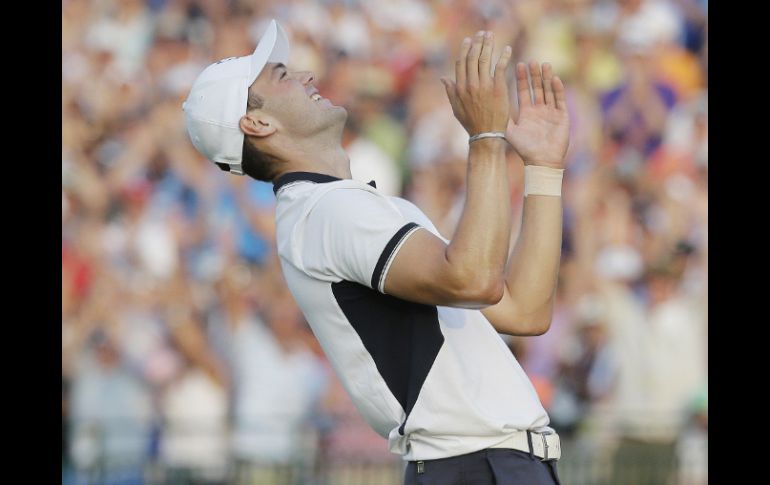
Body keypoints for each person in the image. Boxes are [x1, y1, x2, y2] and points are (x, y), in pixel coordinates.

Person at [183, 19, 570, 485]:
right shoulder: (324, 210)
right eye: (281, 76)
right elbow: (475, 279)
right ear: (257, 122)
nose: (306, 77)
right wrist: (485, 138)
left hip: (482, 463)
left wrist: (543, 167)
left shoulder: (329, 207)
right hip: (473, 465)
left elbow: (524, 311)